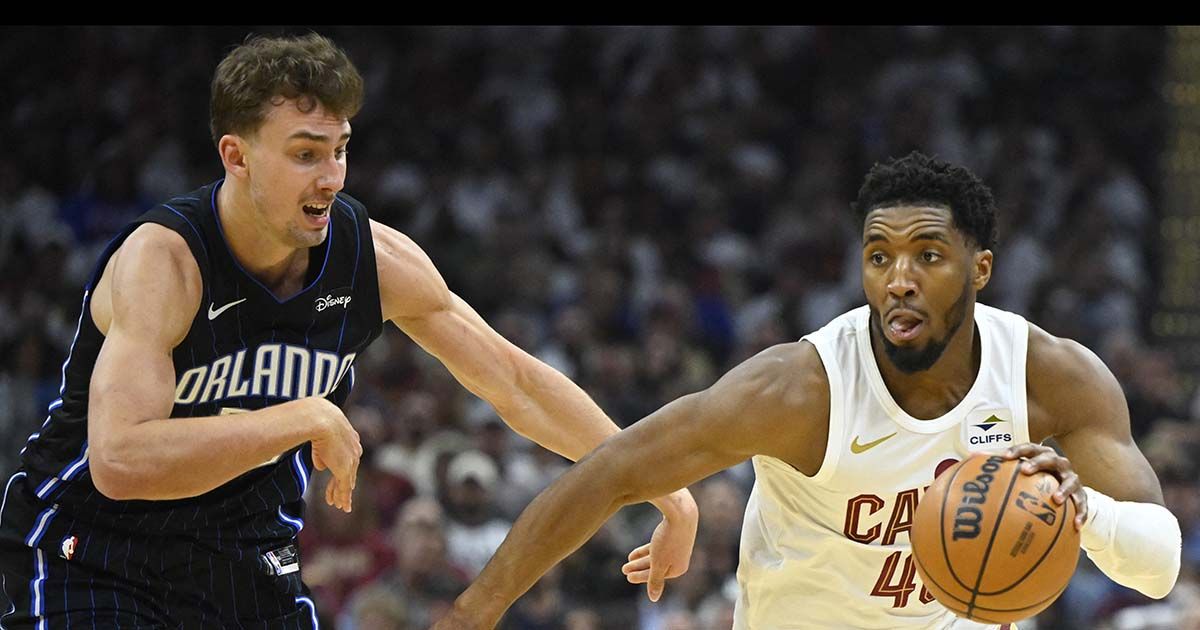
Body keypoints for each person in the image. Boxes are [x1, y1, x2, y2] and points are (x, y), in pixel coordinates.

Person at [0, 33, 697, 629]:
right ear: (237, 156)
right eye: (306, 154)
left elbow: (515, 383)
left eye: (340, 150)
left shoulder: (374, 260)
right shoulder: (166, 262)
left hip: (245, 558)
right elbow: (120, 461)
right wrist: (298, 417)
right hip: (93, 552)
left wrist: (660, 482)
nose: (332, 177)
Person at [434, 151, 1183, 630]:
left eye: (928, 256)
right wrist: (474, 611)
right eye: (879, 256)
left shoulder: (1050, 376)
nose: (900, 280)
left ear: (980, 269)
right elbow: (615, 470)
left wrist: (1084, 512)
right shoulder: (802, 389)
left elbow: (1159, 568)